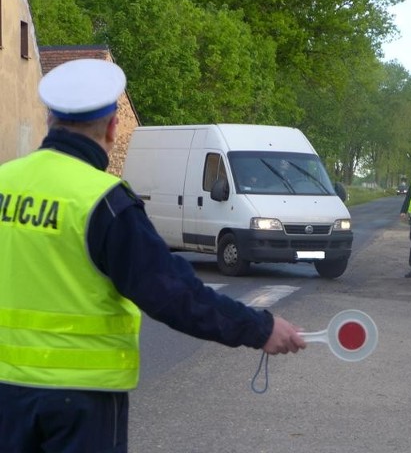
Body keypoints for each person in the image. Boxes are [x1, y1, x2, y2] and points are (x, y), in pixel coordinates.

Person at [0, 59, 306, 453]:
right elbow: (174, 294)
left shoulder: (5, 182)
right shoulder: (104, 202)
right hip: (79, 401)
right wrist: (259, 328)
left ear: (49, 121)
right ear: (113, 127)